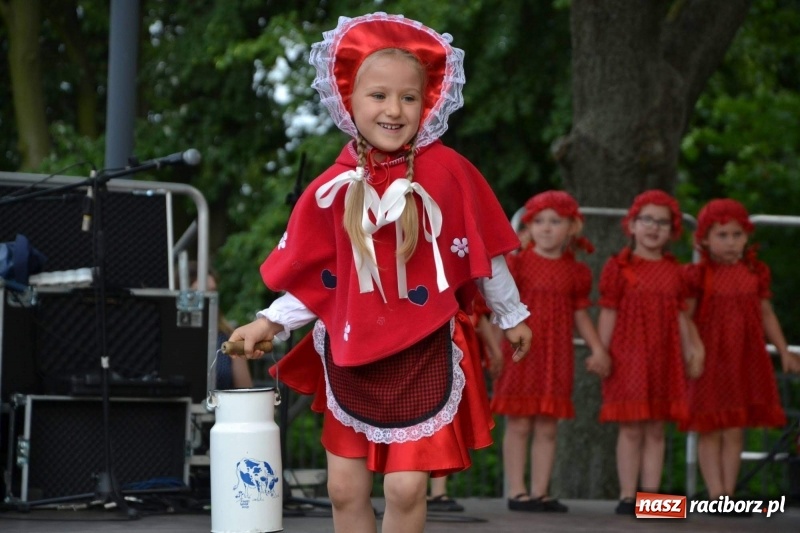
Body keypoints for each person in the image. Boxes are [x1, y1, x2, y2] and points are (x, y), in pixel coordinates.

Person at [228, 13, 532, 533]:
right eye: (378, 96)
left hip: (423, 349)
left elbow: (485, 254)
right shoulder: (333, 184)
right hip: (350, 352)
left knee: (406, 486)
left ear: (427, 103)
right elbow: (321, 279)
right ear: (349, 100)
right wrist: (268, 323)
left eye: (408, 98)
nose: (394, 109)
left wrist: (512, 314)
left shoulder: (451, 172)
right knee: (343, 490)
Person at [489, 190, 611, 513]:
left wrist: (598, 348)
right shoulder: (518, 264)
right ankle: (517, 491)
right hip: (521, 353)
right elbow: (498, 307)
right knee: (519, 423)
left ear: (572, 227)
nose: (546, 228)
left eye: (555, 221)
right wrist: (492, 345)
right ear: (528, 228)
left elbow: (581, 314)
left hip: (556, 355)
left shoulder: (575, 272)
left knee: (547, 425)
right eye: (538, 221)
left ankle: (541, 492)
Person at [679, 199, 800, 508]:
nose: (731, 242)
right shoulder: (697, 275)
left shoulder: (754, 272)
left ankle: (728, 494)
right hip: (711, 357)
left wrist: (785, 351)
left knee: (735, 427)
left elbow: (766, 313)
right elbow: (685, 315)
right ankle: (715, 492)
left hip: (744, 357)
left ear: (746, 237)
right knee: (710, 426)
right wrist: (694, 349)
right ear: (704, 238)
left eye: (736, 234)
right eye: (722, 235)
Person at [597, 190, 704, 516]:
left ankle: (651, 498)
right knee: (631, 426)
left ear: (672, 230)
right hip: (628, 355)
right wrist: (601, 351)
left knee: (657, 427)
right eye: (647, 220)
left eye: (662, 222)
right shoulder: (617, 267)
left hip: (664, 356)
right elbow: (608, 311)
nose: (654, 227)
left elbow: (682, 315)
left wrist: (693, 348)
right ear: (632, 224)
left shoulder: (677, 272)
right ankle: (628, 495)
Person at [188, 261, 253, 389]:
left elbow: (245, 391)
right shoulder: (174, 337)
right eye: (202, 293)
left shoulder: (230, 337)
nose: (208, 300)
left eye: (212, 292)